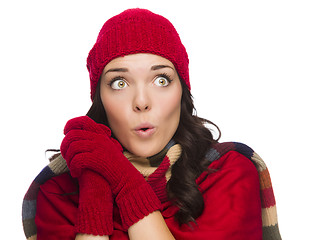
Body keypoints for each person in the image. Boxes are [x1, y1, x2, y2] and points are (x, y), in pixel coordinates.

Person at [22, 8, 281, 240]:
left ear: (182, 91)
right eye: (119, 83)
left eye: (161, 80)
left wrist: (123, 180)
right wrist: (96, 186)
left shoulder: (229, 170)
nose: (142, 102)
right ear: (100, 98)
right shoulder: (58, 191)